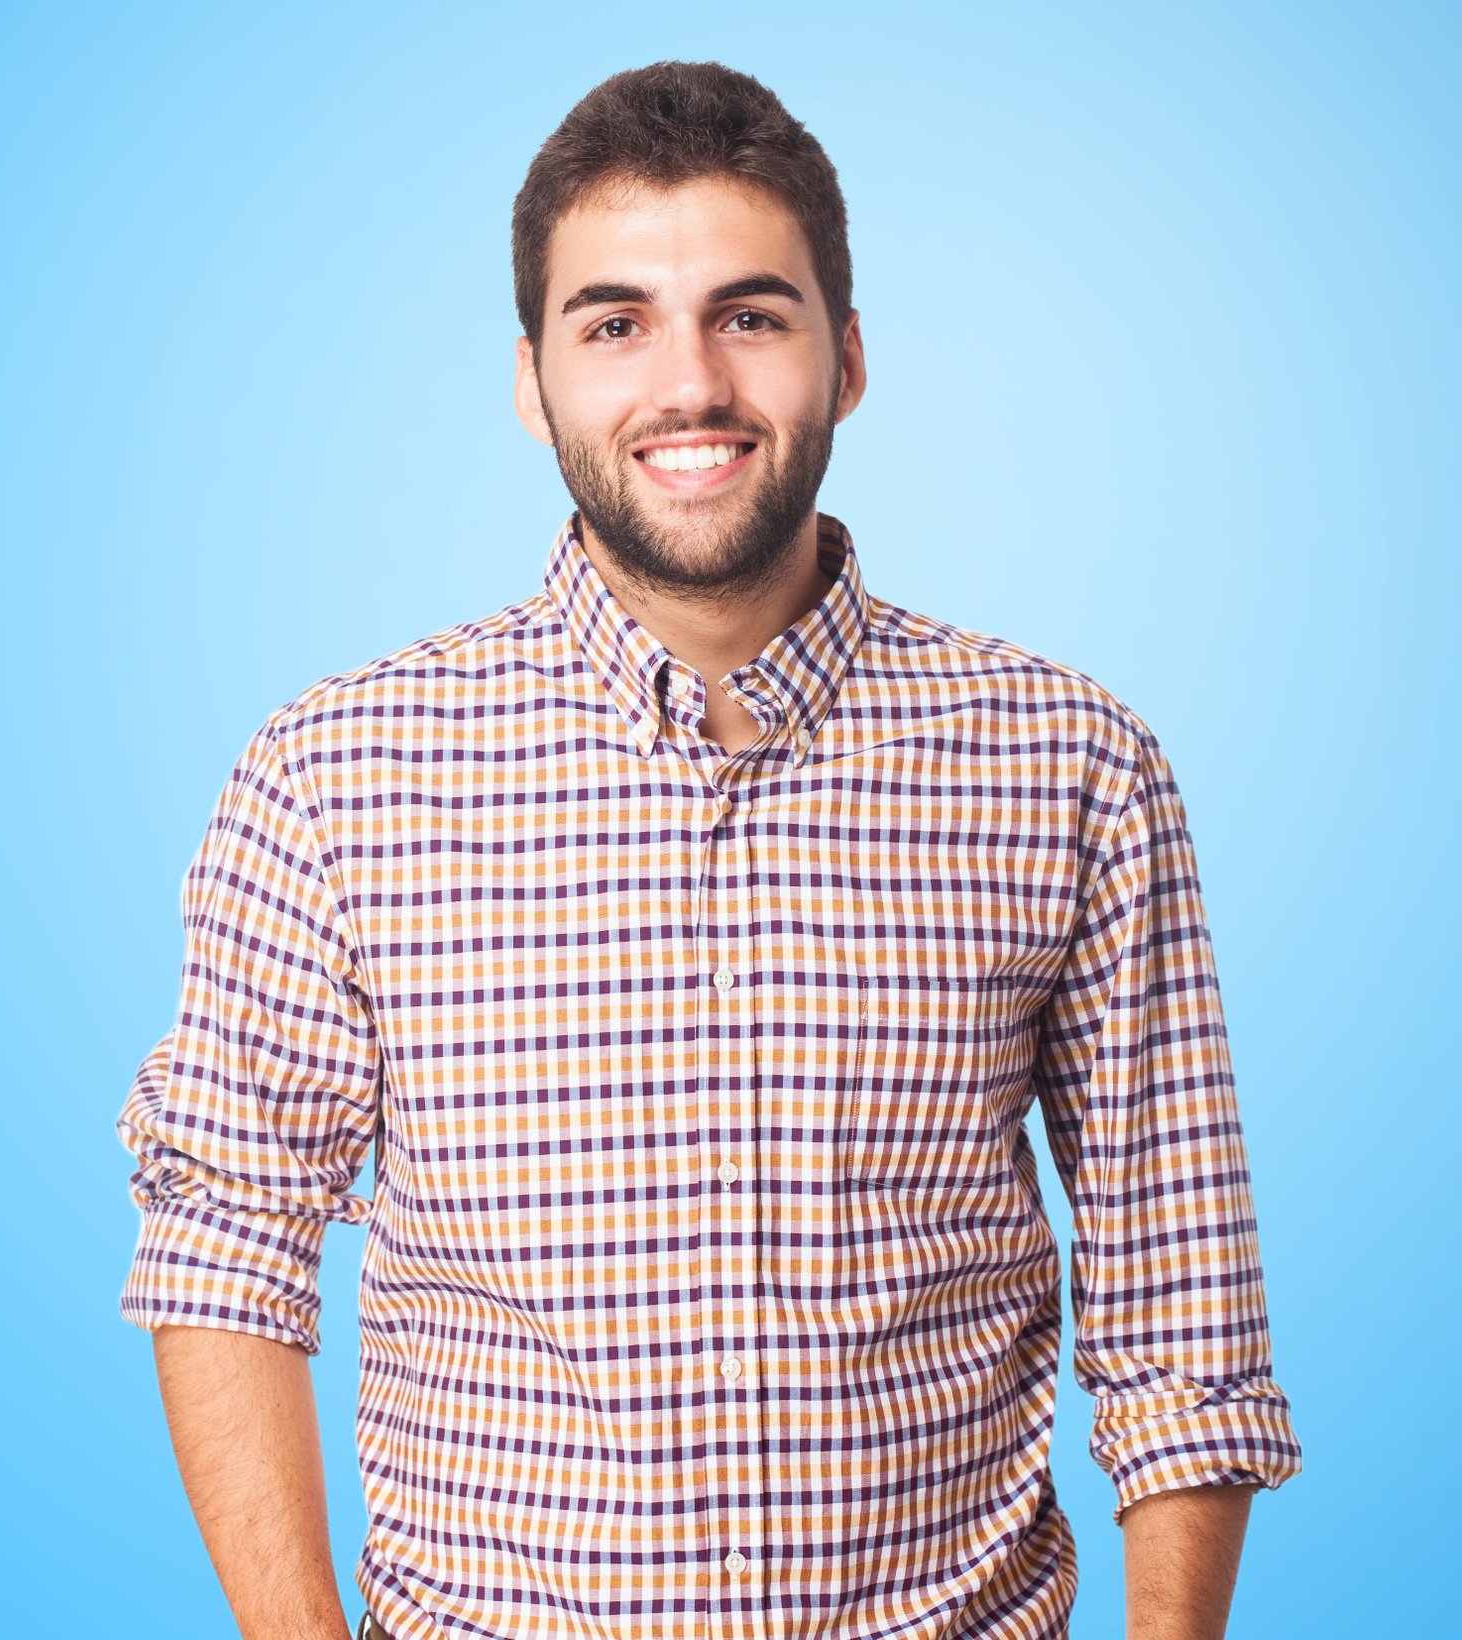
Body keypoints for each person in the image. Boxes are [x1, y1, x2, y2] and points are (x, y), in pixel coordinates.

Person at [117, 60, 1302, 1640]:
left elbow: (1181, 1304)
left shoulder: (1072, 767)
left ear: (848, 357)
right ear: (533, 381)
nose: (690, 384)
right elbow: (226, 1241)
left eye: (750, 314)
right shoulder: (334, 778)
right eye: (614, 324)